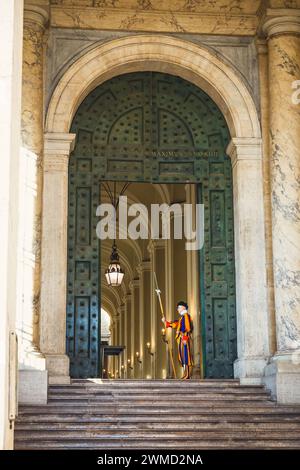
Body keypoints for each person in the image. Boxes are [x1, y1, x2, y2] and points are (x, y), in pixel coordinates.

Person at [162, 301, 193, 379]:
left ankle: (188, 374)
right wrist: (165, 322)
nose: (177, 309)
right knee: (182, 357)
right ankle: (185, 373)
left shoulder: (186, 316)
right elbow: (175, 324)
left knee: (186, 357)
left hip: (184, 339)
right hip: (181, 340)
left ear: (183, 307)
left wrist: (185, 338)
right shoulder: (181, 318)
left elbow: (188, 328)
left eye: (179, 307)